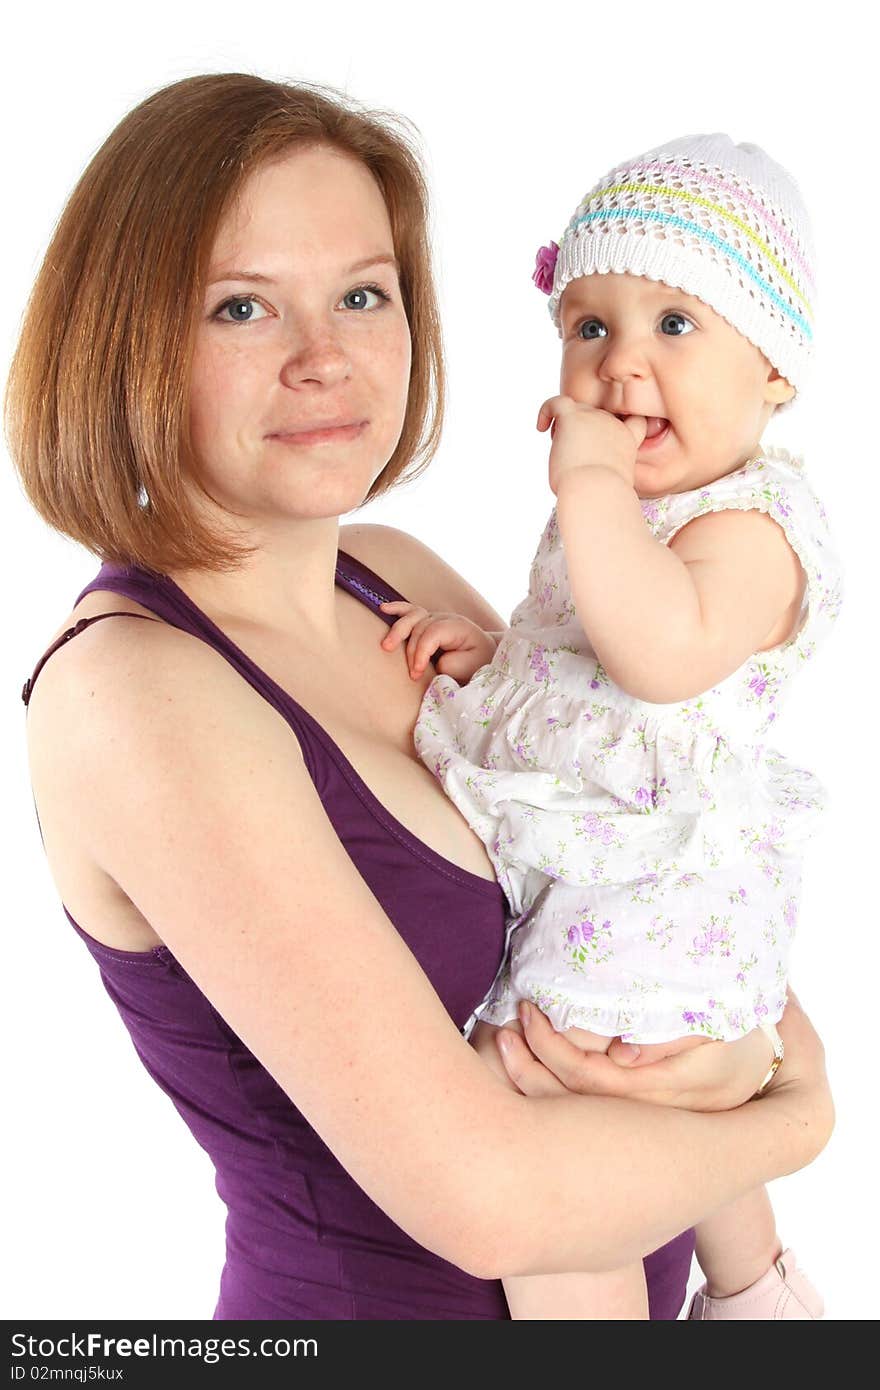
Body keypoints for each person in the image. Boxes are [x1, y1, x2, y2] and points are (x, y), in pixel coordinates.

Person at [9, 78, 832, 1322]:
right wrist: (791, 1116)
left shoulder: (391, 579)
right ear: (129, 340)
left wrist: (755, 1061)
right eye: (242, 306)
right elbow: (486, 1196)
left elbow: (669, 879)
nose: (324, 358)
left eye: (361, 293)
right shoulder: (137, 692)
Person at [380, 134, 840, 1319]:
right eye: (589, 327)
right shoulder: (639, 511)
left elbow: (659, 652)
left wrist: (585, 487)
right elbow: (593, 657)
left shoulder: (756, 525)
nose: (621, 365)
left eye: (675, 326)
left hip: (653, 901)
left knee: (545, 1110)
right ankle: (755, 1294)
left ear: (773, 369)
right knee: (681, 1106)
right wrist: (508, 663)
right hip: (634, 887)